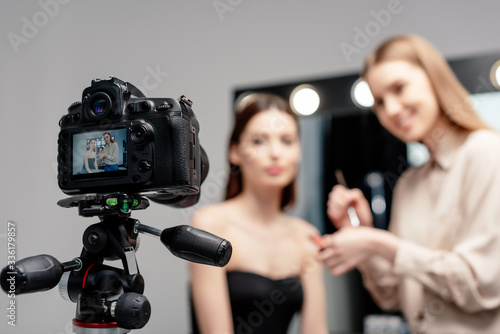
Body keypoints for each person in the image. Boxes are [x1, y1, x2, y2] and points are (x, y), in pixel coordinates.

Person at [316, 34, 500, 333]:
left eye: (399, 89)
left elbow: (481, 285)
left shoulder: (486, 154)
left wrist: (377, 242)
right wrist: (362, 234)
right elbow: (392, 297)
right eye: (379, 102)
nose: (391, 109)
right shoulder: (409, 184)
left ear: (433, 77)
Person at [189, 93, 329, 334]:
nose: (275, 153)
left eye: (287, 141)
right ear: (235, 152)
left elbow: (316, 330)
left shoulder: (307, 237)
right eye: (258, 141)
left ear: (298, 152)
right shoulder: (210, 226)